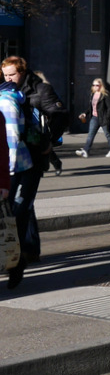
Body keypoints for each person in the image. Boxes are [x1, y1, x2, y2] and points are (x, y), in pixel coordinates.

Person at [0, 56, 63, 265]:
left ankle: (22, 253)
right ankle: (28, 249)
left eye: (12, 74)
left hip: (34, 156)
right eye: (5, 75)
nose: (9, 78)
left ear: (23, 72)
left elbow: (60, 115)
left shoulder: (40, 90)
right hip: (18, 156)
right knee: (24, 205)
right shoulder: (9, 93)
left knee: (23, 205)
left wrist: (48, 142)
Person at [0, 77, 32, 287]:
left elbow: (6, 147)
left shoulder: (5, 103)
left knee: (9, 224)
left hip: (14, 170)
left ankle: (16, 262)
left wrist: (4, 182)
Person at [77, 78, 110, 158]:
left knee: (107, 134)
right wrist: (85, 114)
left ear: (101, 85)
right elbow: (91, 107)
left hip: (103, 117)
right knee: (91, 134)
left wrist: (107, 118)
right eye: (94, 85)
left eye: (97, 85)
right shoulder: (93, 94)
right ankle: (85, 150)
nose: (95, 87)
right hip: (94, 117)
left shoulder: (105, 95)